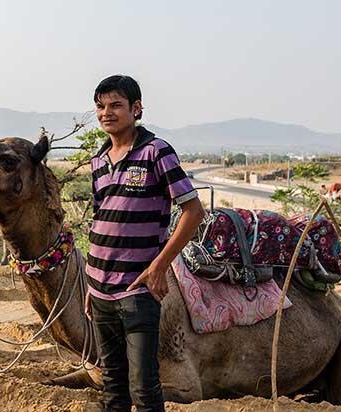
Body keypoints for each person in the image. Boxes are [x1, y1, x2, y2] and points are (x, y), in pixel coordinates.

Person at [84, 75, 205, 411]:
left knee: (145, 389)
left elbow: (193, 211)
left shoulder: (156, 151)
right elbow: (102, 221)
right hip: (100, 291)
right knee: (112, 386)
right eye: (100, 106)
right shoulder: (98, 159)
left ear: (136, 109)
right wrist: (91, 285)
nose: (106, 113)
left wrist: (159, 265)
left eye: (115, 105)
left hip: (138, 291)